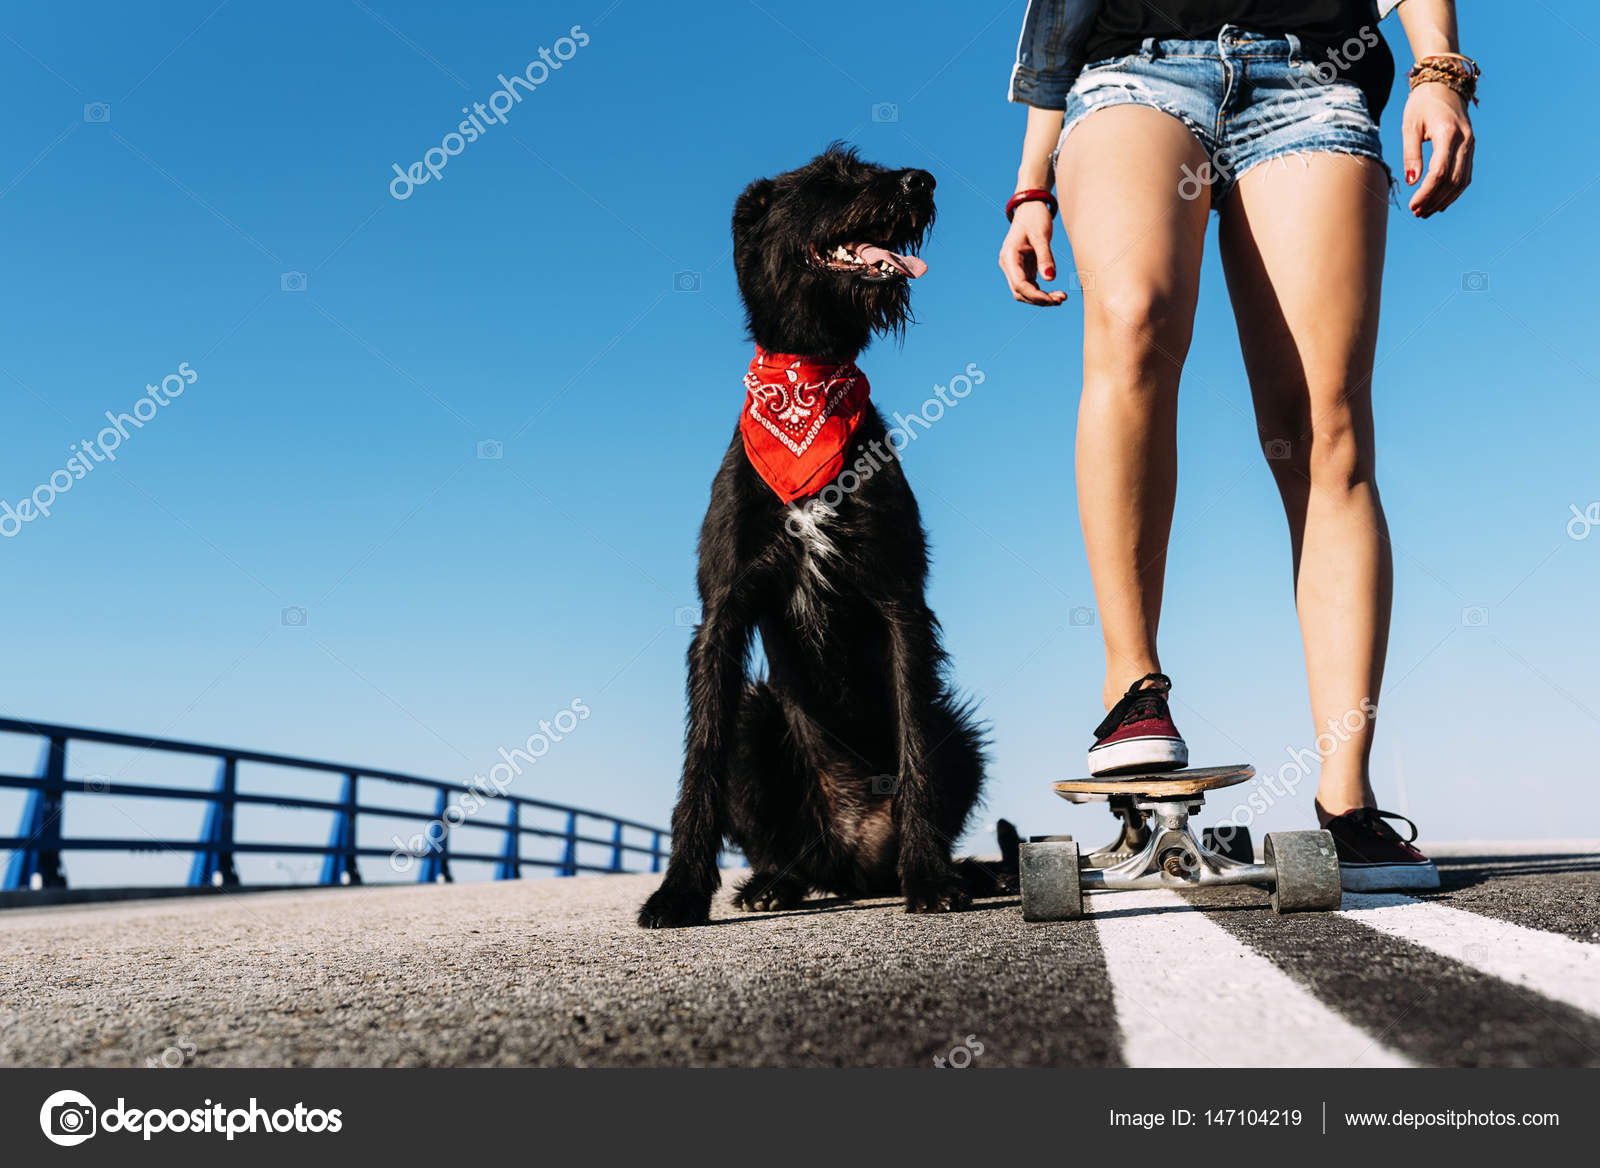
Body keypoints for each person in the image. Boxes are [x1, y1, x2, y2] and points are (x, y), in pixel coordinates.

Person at [999, 0, 1477, 890]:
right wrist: (1032, 184)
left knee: (1321, 428)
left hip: (1315, 77)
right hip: (1135, 73)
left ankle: (1346, 800)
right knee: (1133, 318)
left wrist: (1438, 71)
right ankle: (1133, 691)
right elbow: (1060, 19)